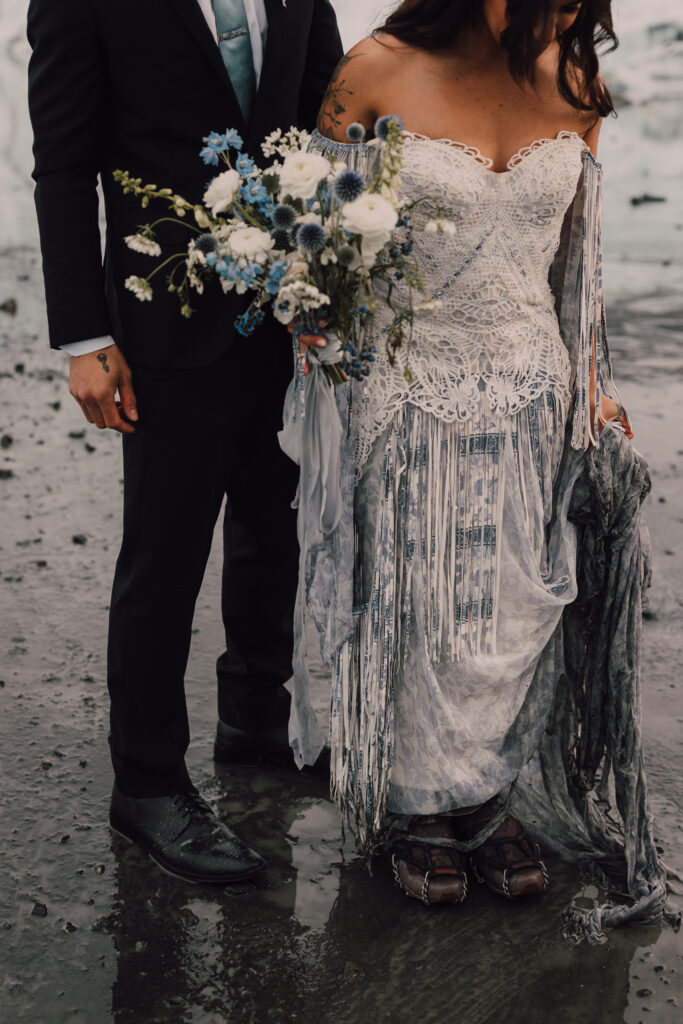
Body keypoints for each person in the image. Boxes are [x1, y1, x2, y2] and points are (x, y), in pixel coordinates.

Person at [288, 0, 677, 938]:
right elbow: (319, 242)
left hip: (533, 386)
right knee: (417, 603)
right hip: (408, 384)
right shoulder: (374, 69)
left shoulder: (575, 83)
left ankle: (488, 798)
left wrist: (592, 385)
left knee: (511, 604)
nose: (561, 10)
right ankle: (418, 804)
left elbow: (576, 270)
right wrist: (317, 326)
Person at [27, 0, 343, 884]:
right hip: (160, 325)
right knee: (164, 553)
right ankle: (149, 782)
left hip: (283, 313)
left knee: (271, 523)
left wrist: (335, 274)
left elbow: (329, 117)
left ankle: (254, 717)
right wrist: (83, 339)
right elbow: (64, 167)